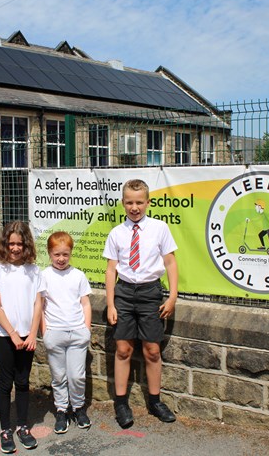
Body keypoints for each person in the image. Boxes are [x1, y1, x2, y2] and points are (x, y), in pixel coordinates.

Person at [103, 179, 179, 429]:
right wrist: (111, 304)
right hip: (124, 293)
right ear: (123, 203)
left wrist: (172, 296)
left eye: (139, 202)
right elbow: (111, 270)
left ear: (147, 202)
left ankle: (155, 401)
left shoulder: (160, 228)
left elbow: (170, 263)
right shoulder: (117, 233)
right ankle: (121, 403)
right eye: (129, 202)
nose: (134, 207)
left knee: (152, 351)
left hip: (150, 293)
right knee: (123, 350)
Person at [0, 221, 43, 453]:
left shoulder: (34, 271)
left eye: (20, 243)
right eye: (11, 244)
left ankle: (22, 426)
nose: (16, 248)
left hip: (27, 337)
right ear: (5, 244)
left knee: (23, 382)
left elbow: (38, 304)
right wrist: (12, 334)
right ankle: (5, 430)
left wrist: (32, 334)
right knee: (5, 383)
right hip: (5, 337)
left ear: (26, 244)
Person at [40, 231, 93, 434]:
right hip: (55, 333)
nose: (61, 259)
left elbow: (85, 303)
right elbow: (41, 306)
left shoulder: (78, 275)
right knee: (58, 375)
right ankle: (62, 409)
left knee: (77, 375)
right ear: (49, 253)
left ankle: (78, 407)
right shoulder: (44, 276)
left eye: (65, 254)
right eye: (56, 254)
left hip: (77, 332)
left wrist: (86, 329)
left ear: (70, 253)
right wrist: (45, 332)